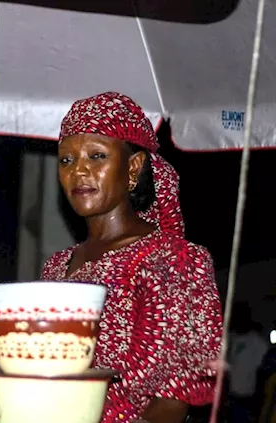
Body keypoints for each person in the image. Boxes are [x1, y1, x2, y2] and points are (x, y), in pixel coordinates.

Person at [40, 92, 224, 423]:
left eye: (96, 156)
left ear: (133, 167)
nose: (79, 171)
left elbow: (170, 404)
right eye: (66, 160)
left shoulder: (175, 261)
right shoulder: (56, 266)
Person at [226, 302, 268, 422]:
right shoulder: (230, 337)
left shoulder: (258, 342)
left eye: (241, 316)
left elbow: (262, 373)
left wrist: (257, 403)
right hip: (230, 397)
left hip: (247, 399)